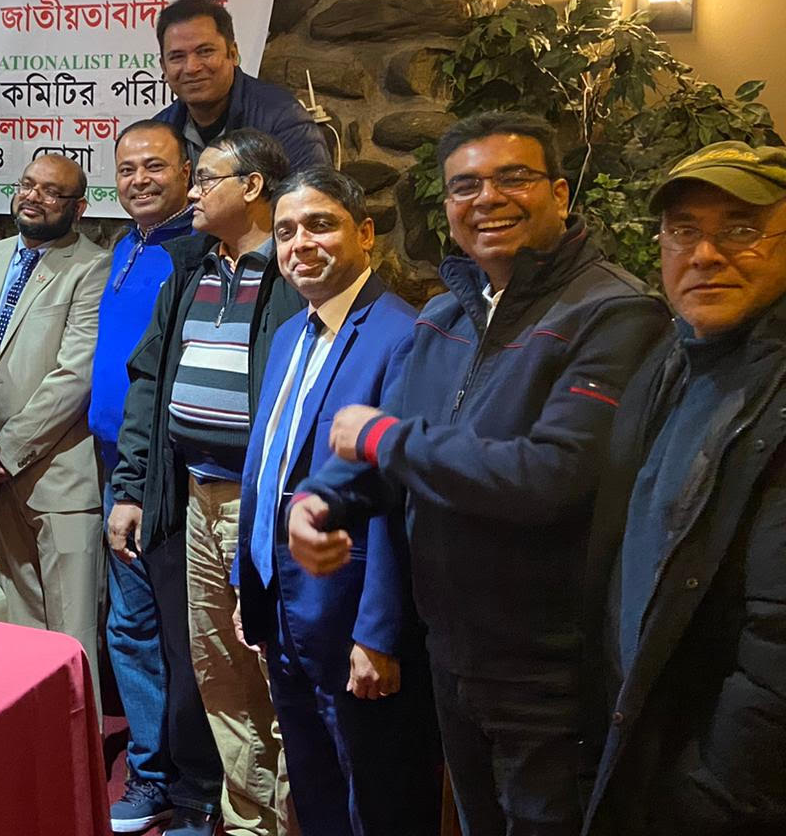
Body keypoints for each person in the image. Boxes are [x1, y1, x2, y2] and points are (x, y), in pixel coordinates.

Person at [287, 111, 671, 836]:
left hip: (550, 667)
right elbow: (389, 458)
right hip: (450, 646)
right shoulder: (447, 314)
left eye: (513, 178)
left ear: (560, 193)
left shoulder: (616, 314)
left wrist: (382, 436)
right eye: (465, 185)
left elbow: (551, 476)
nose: (487, 198)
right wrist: (322, 499)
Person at [582, 142, 786, 835]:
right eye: (683, 231)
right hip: (646, 745)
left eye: (741, 229)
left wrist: (712, 792)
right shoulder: (670, 361)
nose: (704, 255)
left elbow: (777, 638)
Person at [235, 167, 439, 836]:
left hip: (352, 622)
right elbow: (268, 464)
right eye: (286, 231)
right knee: (316, 792)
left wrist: (379, 633)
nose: (300, 243)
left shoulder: (402, 336)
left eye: (320, 225)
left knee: (377, 803)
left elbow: (400, 495)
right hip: (284, 608)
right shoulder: (290, 333)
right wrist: (248, 581)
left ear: (366, 234)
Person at [109, 128, 302, 836]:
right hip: (192, 495)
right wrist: (131, 486)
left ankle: (289, 819)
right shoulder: (189, 270)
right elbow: (148, 379)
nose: (191, 192)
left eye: (206, 179)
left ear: (252, 187)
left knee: (277, 674)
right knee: (218, 673)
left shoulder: (294, 276)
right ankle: (243, 820)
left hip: (262, 507)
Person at [0, 154, 107, 692]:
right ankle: (36, 733)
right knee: (22, 632)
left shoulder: (94, 266)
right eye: (27, 185)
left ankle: (83, 742)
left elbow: (75, 374)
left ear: (78, 207)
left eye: (51, 191)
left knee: (72, 638)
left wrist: (7, 448)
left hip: (58, 476)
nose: (34, 197)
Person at [89, 119, 198, 834]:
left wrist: (138, 478)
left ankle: (183, 784)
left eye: (154, 166)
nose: (139, 180)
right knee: (128, 628)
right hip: (114, 467)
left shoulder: (194, 254)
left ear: (187, 171)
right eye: (127, 169)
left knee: (175, 637)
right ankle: (154, 775)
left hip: (164, 475)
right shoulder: (127, 247)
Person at [152, 0, 328, 171]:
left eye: (205, 51)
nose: (191, 67)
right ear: (164, 67)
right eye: (177, 57)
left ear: (233, 54)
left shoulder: (283, 119)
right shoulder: (160, 131)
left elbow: (315, 188)